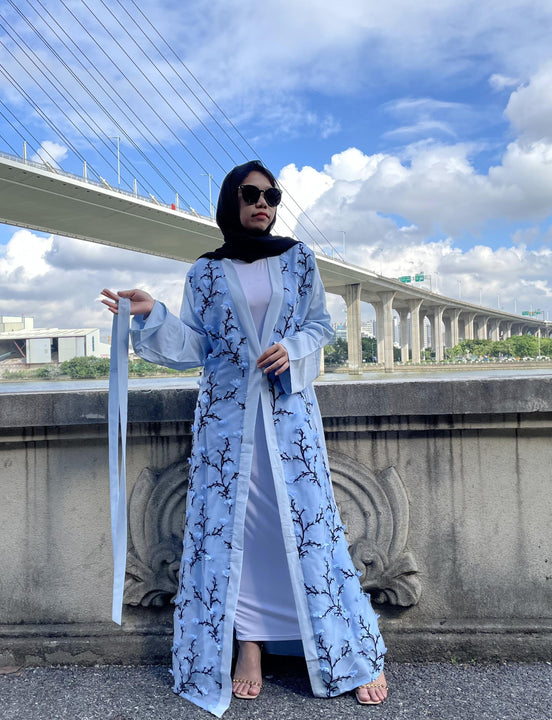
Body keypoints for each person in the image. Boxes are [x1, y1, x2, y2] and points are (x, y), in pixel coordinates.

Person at [101, 160, 387, 716]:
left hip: (288, 419)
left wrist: (293, 349)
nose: (263, 204)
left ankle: (345, 652)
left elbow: (320, 327)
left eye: (272, 196)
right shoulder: (205, 272)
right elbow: (196, 346)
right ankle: (248, 645)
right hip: (227, 425)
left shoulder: (299, 258)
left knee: (305, 528)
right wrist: (152, 314)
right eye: (252, 194)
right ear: (231, 199)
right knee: (240, 532)